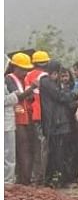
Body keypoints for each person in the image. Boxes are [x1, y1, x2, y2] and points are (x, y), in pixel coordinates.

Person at [40, 62, 78, 188]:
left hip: (60, 123)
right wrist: (76, 95)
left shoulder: (53, 84)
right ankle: (59, 179)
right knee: (58, 153)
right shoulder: (47, 82)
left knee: (63, 152)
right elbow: (61, 97)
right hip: (56, 124)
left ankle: (60, 179)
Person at [22, 51, 51, 184]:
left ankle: (35, 177)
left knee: (35, 146)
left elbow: (28, 96)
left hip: (33, 114)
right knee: (43, 147)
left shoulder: (28, 76)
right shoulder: (47, 76)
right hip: (45, 115)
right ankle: (41, 178)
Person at [7, 52, 32, 184]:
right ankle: (22, 179)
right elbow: (17, 97)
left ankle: (24, 178)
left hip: (25, 117)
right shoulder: (9, 79)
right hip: (16, 118)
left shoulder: (23, 80)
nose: (25, 72)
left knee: (25, 147)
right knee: (21, 148)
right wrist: (32, 88)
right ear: (15, 67)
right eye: (23, 69)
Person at [4, 56, 18, 184]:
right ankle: (7, 180)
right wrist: (15, 97)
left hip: (7, 121)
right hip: (5, 122)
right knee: (8, 153)